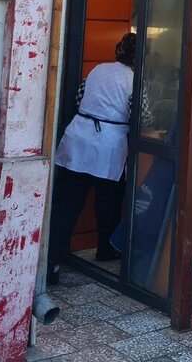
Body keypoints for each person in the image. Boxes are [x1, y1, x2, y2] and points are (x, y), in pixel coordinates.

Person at [48, 33, 136, 284]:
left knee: (67, 203)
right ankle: (105, 247)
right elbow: (139, 116)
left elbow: (79, 100)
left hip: (78, 137)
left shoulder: (97, 70)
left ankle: (52, 260)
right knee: (109, 201)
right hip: (108, 143)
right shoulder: (134, 79)